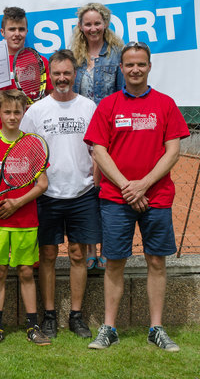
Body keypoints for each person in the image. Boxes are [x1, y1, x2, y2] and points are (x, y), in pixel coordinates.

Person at [85, 42, 189, 352]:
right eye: (129, 64)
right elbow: (99, 150)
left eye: (141, 64)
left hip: (156, 197)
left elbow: (173, 150)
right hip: (117, 199)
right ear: (121, 68)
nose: (135, 69)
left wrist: (142, 184)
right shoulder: (109, 105)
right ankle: (109, 328)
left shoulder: (165, 104)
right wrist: (128, 187)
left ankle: (156, 328)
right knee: (114, 261)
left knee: (156, 261)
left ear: (149, 66)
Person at [20, 49, 100, 339]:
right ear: (49, 76)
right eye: (57, 74)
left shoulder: (89, 107)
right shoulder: (36, 111)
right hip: (47, 194)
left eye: (67, 73)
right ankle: (50, 316)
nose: (62, 78)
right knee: (48, 255)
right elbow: (26, 152)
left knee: (79, 254)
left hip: (83, 192)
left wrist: (95, 179)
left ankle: (76, 316)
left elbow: (97, 150)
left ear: (75, 74)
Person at [0, 89, 50, 347]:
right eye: (7, 112)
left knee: (27, 272)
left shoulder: (33, 144)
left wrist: (17, 202)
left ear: (24, 112)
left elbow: (42, 184)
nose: (13, 116)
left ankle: (33, 326)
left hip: (26, 221)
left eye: (17, 111)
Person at [70, 2, 125, 270]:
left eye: (97, 23)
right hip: (80, 131)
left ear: (105, 24)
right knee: (88, 188)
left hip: (108, 132)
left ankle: (106, 249)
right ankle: (89, 248)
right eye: (87, 24)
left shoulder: (117, 54)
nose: (93, 28)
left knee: (106, 189)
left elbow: (122, 95)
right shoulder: (74, 55)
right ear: (81, 27)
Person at [0, 6, 53, 136]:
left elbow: (53, 98)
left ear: (27, 31)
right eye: (12, 29)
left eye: (21, 29)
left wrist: (36, 107)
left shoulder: (40, 61)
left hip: (32, 134)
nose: (17, 34)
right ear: (2, 32)